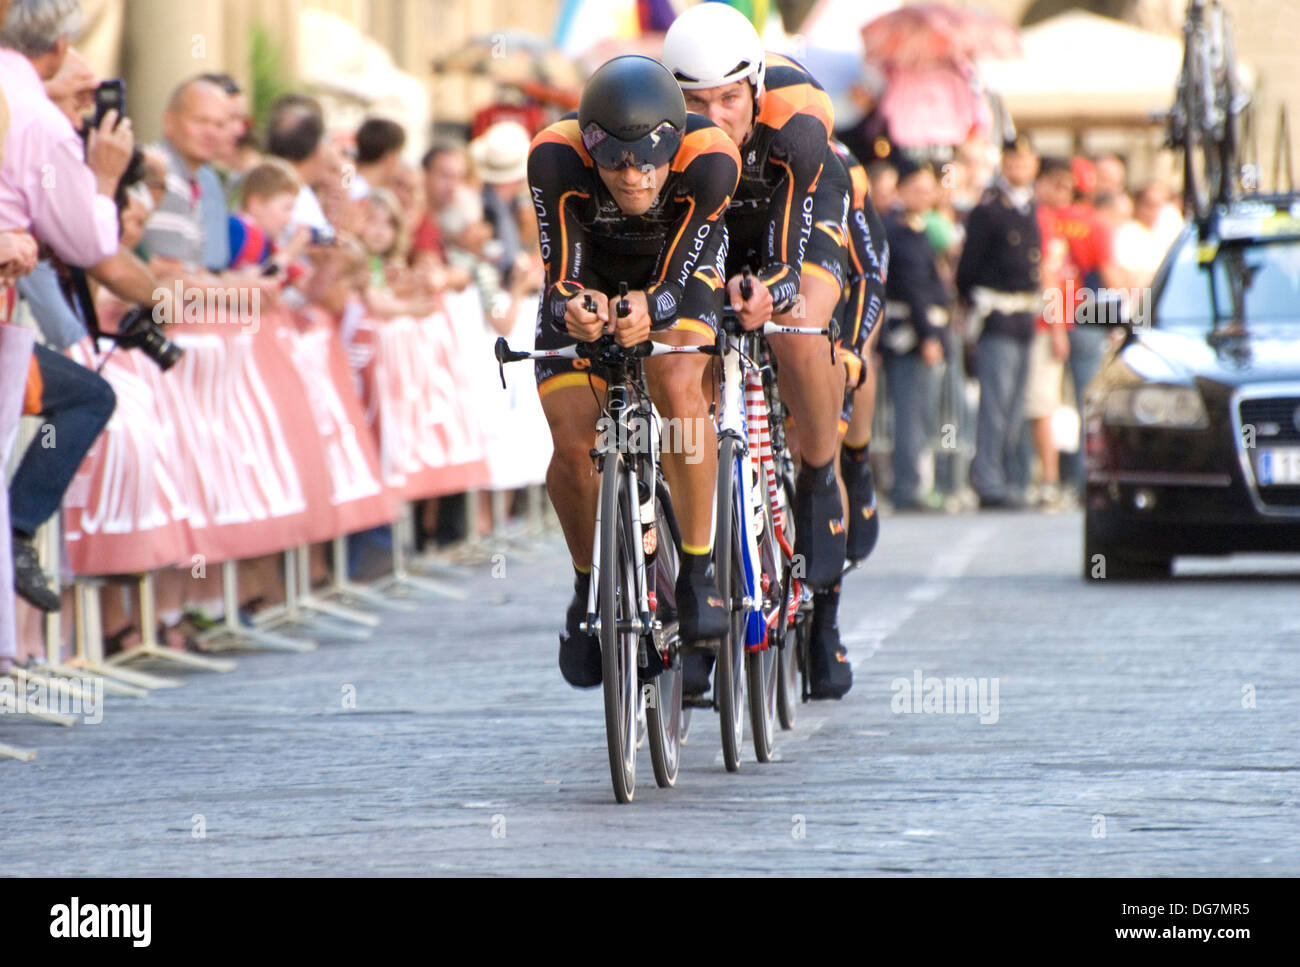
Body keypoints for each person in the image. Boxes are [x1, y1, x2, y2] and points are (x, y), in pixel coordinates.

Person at [527, 55, 739, 689]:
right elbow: (559, 269)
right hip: (593, 269)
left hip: (678, 273)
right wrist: (574, 304)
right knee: (571, 444)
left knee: (677, 388)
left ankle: (698, 569)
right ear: (591, 150)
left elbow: (679, 278)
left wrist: (656, 307)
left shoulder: (711, 158)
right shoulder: (553, 154)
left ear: (673, 144)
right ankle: (589, 583)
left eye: (647, 159)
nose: (633, 175)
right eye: (615, 160)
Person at [662, 1, 854, 698]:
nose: (713, 117)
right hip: (711, 218)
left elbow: (786, 253)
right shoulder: (656, 131)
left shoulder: (798, 118)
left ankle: (818, 476)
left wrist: (769, 288)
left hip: (790, 206)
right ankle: (700, 594)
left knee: (796, 324)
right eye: (694, 103)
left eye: (726, 99)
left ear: (754, 91)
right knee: (685, 364)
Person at [955, 135, 1043, 510]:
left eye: (1026, 160)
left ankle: (1009, 478)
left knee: (1015, 405)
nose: (1020, 167)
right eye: (1014, 160)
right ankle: (988, 480)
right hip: (998, 314)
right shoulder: (989, 209)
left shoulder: (1030, 208)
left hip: (1025, 316)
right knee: (995, 403)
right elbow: (967, 270)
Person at [880, 156, 948, 511]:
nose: (924, 195)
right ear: (901, 191)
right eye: (916, 189)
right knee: (908, 413)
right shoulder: (896, 230)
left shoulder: (920, 229)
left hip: (925, 328)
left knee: (922, 413)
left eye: (928, 189)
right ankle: (908, 486)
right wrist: (929, 336)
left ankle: (919, 482)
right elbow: (913, 289)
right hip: (909, 334)